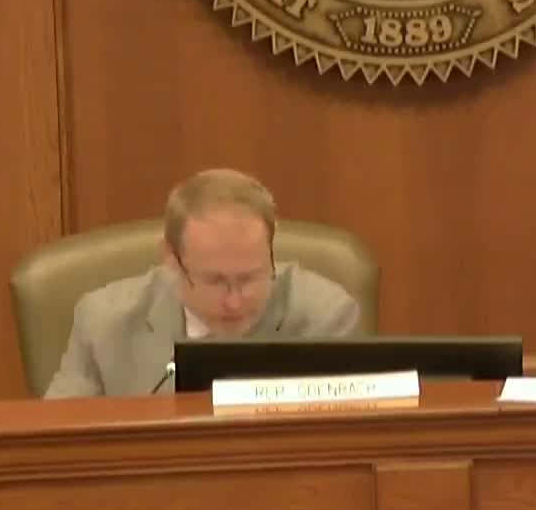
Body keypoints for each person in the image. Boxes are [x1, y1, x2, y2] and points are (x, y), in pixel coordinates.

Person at [44, 168, 361, 397]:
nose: (235, 301)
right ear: (171, 258)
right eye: (215, 281)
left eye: (250, 278)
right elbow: (59, 443)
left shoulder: (325, 318)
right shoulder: (104, 325)